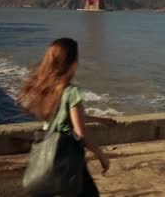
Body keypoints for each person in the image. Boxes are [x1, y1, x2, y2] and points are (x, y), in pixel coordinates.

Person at [18, 38, 116, 196]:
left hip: (48, 151)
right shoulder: (71, 91)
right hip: (67, 151)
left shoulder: (44, 88)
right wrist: (102, 156)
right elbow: (81, 132)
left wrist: (100, 120)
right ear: (72, 62)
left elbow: (62, 117)